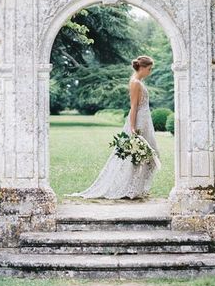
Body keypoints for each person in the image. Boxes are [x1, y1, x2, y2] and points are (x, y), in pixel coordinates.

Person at [68, 55, 160, 200]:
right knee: (137, 155)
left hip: (145, 121)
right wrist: (133, 127)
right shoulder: (135, 82)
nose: (150, 71)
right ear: (142, 68)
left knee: (146, 155)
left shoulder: (139, 82)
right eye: (149, 69)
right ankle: (131, 188)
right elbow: (134, 107)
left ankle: (136, 188)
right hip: (139, 122)